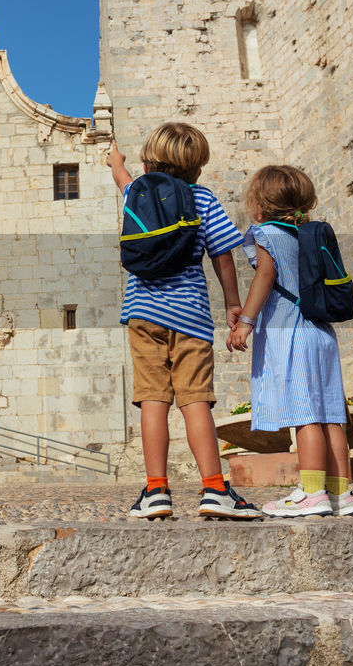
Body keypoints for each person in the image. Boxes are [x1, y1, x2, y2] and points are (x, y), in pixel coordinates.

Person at [107, 123, 262, 521]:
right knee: (196, 402)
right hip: (190, 316)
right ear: (197, 168)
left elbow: (121, 177)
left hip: (142, 314)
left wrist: (115, 160)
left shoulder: (136, 193)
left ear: (148, 162)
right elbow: (223, 255)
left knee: (152, 400)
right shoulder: (203, 199)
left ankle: (156, 491)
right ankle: (213, 489)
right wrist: (232, 303)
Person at [226, 165, 353, 517]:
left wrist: (246, 321)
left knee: (305, 414)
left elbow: (265, 277)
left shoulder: (267, 233)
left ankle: (312, 493)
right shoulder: (310, 235)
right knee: (331, 416)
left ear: (261, 206)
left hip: (292, 333)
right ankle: (340, 494)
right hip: (321, 333)